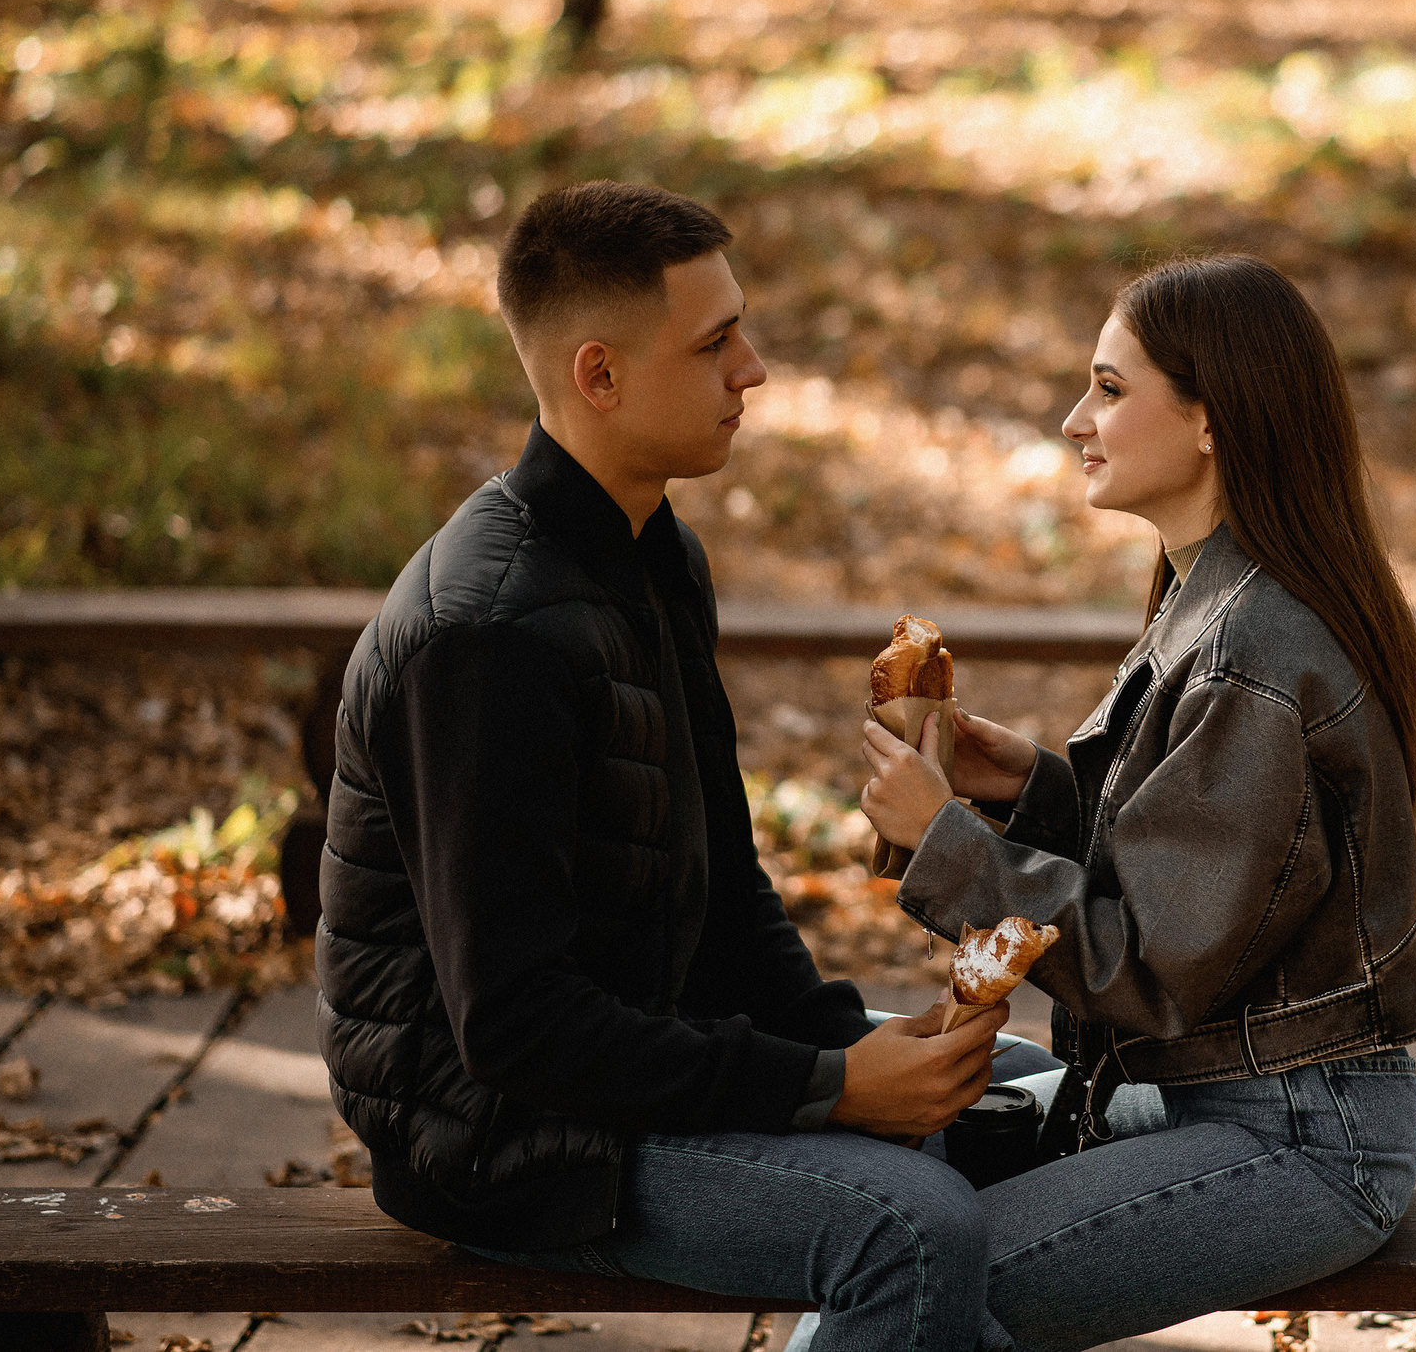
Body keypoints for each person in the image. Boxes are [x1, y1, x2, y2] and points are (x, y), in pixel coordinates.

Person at [317, 181, 1044, 1352]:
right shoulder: (487, 636)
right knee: (917, 1233)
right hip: (509, 1140)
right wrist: (828, 1089)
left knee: (1026, 1095)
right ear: (598, 375)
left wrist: (839, 1046)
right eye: (715, 344)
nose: (752, 371)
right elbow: (513, 1029)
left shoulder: (656, 555)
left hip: (641, 1064)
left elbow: (723, 886)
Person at [859, 253, 1416, 1352]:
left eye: (1110, 388)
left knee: (911, 1275)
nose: (1075, 419)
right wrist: (1032, 787)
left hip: (1302, 1137)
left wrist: (945, 843)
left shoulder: (1251, 649)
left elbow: (1153, 967)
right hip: (1206, 1089)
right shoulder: (1219, 590)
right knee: (877, 1125)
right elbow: (1208, 862)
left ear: (1210, 419)